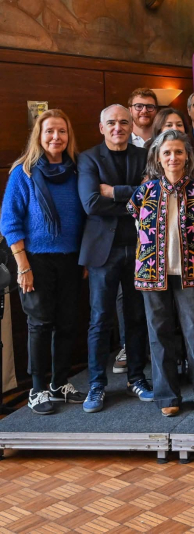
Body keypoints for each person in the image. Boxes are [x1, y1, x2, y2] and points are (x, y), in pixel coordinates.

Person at [128, 130, 194, 417]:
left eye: (178, 152)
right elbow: (139, 232)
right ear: (158, 157)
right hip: (152, 273)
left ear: (187, 156)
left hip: (191, 270)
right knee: (159, 334)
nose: (173, 157)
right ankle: (167, 395)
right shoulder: (144, 192)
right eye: (167, 152)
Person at [0, 109, 87, 415]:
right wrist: (22, 265)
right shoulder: (23, 172)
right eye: (49, 131)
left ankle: (59, 383)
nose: (56, 137)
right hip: (35, 259)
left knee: (67, 323)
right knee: (39, 324)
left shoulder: (77, 170)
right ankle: (37, 389)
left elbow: (85, 215)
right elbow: (10, 222)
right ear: (39, 135)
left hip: (71, 258)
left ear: (68, 136)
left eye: (62, 131)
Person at [78, 104, 152, 413]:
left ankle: (136, 378)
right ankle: (96, 385)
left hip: (138, 247)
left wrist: (114, 191)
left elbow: (150, 198)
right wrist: (131, 198)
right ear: (101, 127)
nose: (118, 127)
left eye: (124, 122)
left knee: (135, 318)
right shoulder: (88, 158)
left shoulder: (143, 156)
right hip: (102, 252)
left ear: (131, 124)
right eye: (111, 122)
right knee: (100, 319)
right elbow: (92, 203)